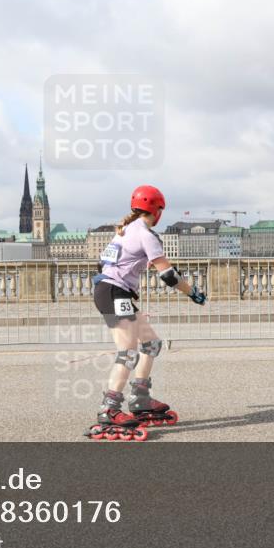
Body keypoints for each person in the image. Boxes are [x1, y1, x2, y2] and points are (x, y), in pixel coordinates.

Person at [87, 185, 207, 441]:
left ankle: (141, 398)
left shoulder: (123, 230)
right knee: (128, 352)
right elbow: (169, 275)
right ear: (158, 210)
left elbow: (104, 263)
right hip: (114, 293)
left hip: (112, 291)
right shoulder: (145, 234)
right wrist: (193, 293)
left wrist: (127, 291)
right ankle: (109, 409)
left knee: (151, 343)